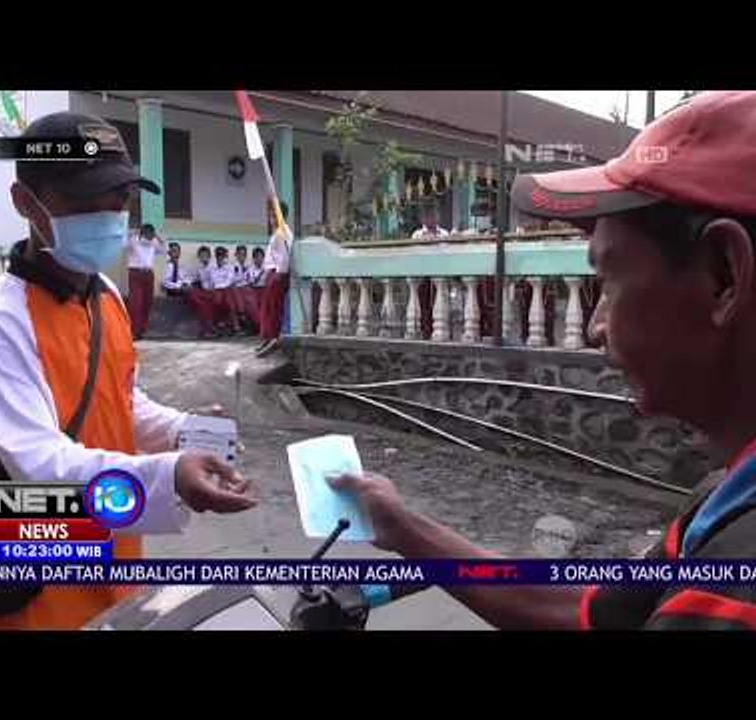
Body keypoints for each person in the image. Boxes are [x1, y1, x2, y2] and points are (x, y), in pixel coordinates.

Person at [332, 91, 756, 630]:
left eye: (606, 280)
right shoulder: (725, 503)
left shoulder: (734, 589)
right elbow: (588, 612)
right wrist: (406, 529)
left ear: (722, 275)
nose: (596, 326)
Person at [0, 112, 256, 630]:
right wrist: (170, 475)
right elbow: (39, 465)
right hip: (34, 559)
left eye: (118, 199)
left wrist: (182, 431)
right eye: (84, 200)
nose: (108, 215)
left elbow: (121, 400)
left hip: (113, 540)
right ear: (26, 203)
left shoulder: (105, 296)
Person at [256, 199, 293, 357]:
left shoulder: (282, 233)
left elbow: (284, 257)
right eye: (270, 215)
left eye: (273, 215)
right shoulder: (277, 233)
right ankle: (267, 337)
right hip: (272, 274)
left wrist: (278, 274)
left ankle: (273, 338)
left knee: (274, 309)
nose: (270, 219)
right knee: (267, 308)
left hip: (278, 275)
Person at [126, 222, 165, 339]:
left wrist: (158, 237)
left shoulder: (154, 242)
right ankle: (133, 331)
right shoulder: (134, 240)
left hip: (149, 274)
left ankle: (141, 330)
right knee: (136, 303)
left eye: (152, 234)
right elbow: (123, 243)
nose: (151, 237)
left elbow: (164, 250)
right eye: (149, 234)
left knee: (147, 303)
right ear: (143, 233)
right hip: (135, 273)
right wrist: (135, 232)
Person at [187, 245, 218, 337]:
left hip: (214, 291)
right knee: (194, 297)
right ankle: (207, 329)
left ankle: (208, 329)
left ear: (209, 256)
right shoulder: (200, 268)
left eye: (205, 255)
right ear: (199, 257)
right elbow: (194, 278)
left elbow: (214, 281)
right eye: (201, 255)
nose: (204, 257)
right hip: (204, 291)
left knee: (205, 304)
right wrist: (187, 283)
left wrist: (212, 290)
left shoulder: (213, 266)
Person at [209, 246, 241, 335]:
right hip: (216, 290)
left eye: (222, 256)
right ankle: (232, 324)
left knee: (227, 296)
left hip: (226, 289)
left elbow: (229, 280)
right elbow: (213, 280)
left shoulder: (229, 267)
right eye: (219, 255)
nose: (220, 258)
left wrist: (221, 286)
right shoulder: (212, 267)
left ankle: (232, 324)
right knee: (220, 297)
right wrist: (220, 287)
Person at [232, 244, 260, 330]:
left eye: (244, 255)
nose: (242, 257)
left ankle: (257, 324)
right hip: (237, 288)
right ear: (236, 255)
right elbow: (233, 279)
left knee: (252, 303)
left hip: (247, 287)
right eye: (240, 254)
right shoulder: (233, 267)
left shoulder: (248, 266)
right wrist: (243, 277)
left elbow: (251, 279)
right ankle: (244, 319)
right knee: (241, 302)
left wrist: (252, 279)